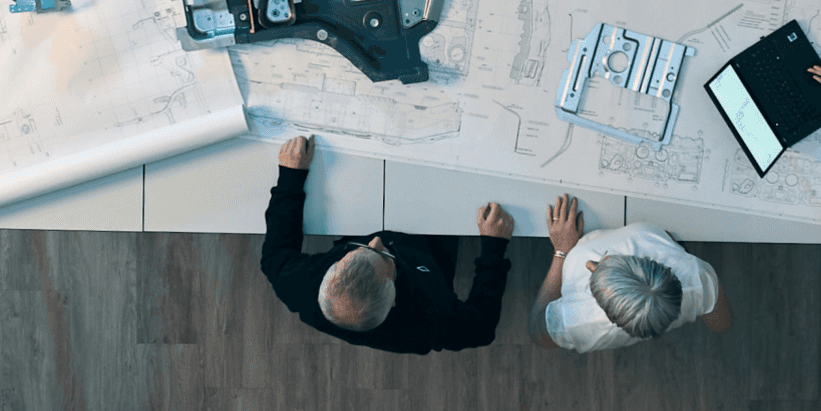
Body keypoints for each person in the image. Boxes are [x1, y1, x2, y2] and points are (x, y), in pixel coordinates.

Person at [259, 135, 515, 354]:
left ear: (331, 273)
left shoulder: (299, 285)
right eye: (382, 256)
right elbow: (482, 328)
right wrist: (493, 247)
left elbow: (275, 253)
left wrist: (290, 178)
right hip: (430, 246)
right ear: (393, 297)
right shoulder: (430, 319)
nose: (376, 240)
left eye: (360, 250)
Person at [527, 195, 733, 352]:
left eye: (596, 277)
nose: (591, 264)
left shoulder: (579, 323)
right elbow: (721, 324)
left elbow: (538, 334)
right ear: (653, 265)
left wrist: (562, 252)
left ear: (606, 310)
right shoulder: (697, 276)